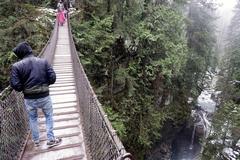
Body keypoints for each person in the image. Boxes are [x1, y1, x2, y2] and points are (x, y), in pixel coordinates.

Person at [10, 42, 62, 147]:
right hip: (44, 96)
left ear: (20, 54)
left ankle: (36, 141)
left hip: (29, 98)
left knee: (32, 118)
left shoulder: (16, 66)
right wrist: (45, 84)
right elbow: (53, 78)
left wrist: (23, 87)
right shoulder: (43, 62)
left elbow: (16, 85)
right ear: (29, 50)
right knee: (48, 116)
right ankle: (50, 139)